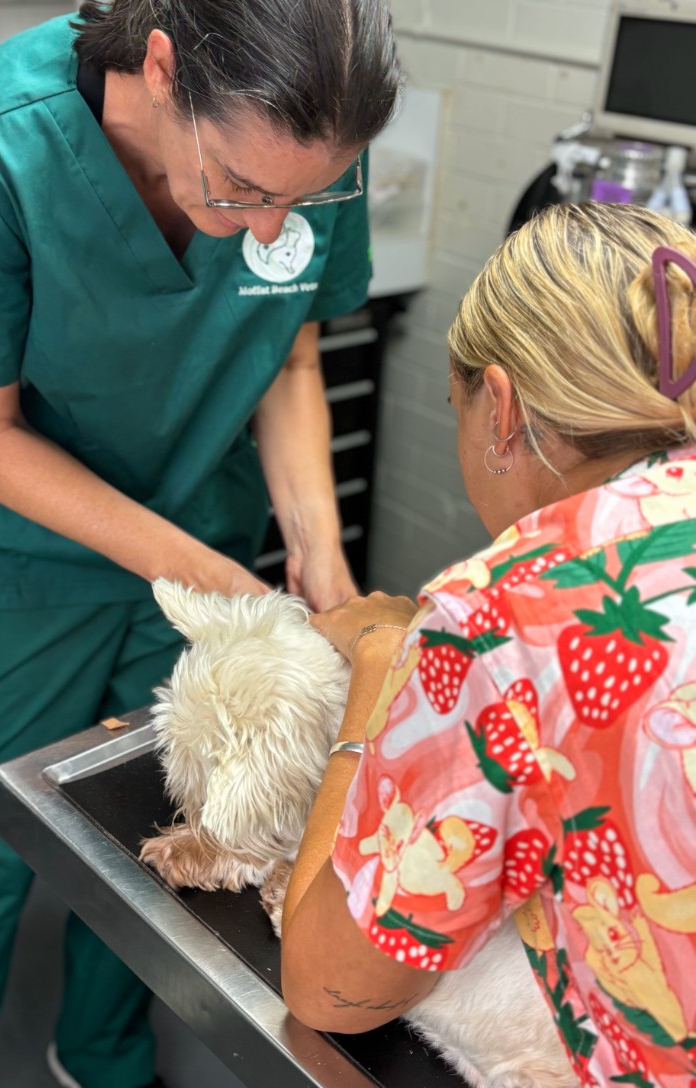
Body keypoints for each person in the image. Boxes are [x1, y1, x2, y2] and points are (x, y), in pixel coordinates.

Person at [0, 0, 401, 1085]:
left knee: (167, 826)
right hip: (15, 559)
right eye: (245, 192)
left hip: (208, 522)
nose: (272, 226)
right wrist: (219, 587)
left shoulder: (301, 140)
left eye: (301, 201)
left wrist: (320, 555)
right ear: (162, 69)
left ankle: (103, 1053)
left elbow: (287, 350)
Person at [281, 202, 696, 1088]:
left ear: (499, 406)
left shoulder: (505, 609)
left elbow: (329, 989)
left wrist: (381, 674)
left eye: (455, 403)